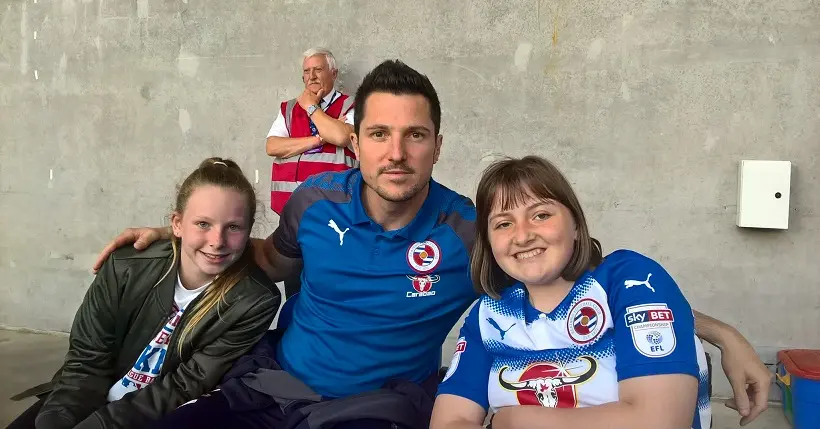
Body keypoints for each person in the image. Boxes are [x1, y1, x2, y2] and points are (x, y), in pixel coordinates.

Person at [91, 60, 771, 428]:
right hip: (268, 383)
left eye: (415, 135)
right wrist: (173, 240)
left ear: (437, 145)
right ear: (355, 144)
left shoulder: (477, 230)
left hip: (379, 403)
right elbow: (260, 260)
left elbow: (594, 280)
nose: (397, 151)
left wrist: (720, 332)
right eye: (380, 134)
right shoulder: (313, 203)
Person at [431, 155, 711, 429]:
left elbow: (659, 421)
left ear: (575, 224)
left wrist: (516, 420)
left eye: (540, 215)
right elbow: (450, 420)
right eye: (504, 223)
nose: (523, 235)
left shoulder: (628, 279)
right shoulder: (490, 313)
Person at [7, 158, 281, 429]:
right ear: (177, 223)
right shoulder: (125, 266)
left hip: (156, 413)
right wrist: (60, 417)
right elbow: (86, 359)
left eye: (233, 227)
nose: (217, 241)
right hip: (83, 395)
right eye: (202, 224)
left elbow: (186, 384)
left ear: (248, 231)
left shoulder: (254, 300)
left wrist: (102, 424)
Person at [265, 47, 358, 298]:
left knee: (329, 286)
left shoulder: (352, 105)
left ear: (334, 73)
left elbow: (340, 135)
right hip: (293, 215)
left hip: (336, 214)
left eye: (318, 69)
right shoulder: (287, 108)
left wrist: (311, 108)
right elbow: (272, 146)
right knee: (294, 288)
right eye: (307, 71)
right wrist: (317, 140)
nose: (312, 76)